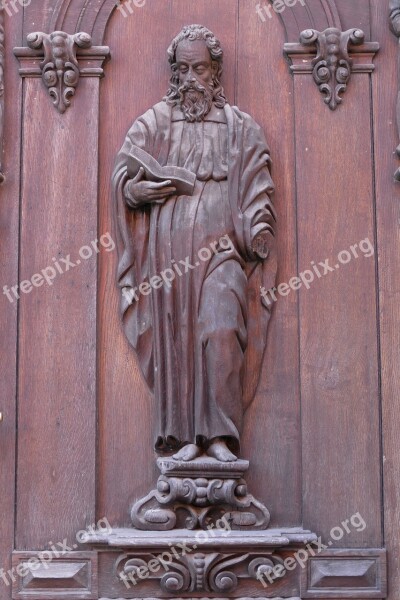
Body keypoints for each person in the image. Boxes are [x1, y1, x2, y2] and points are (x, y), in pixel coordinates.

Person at [112, 24, 277, 462]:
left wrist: (258, 230)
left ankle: (221, 436)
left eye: (199, 69)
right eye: (182, 69)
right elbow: (124, 174)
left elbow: (259, 186)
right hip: (170, 259)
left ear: (214, 72)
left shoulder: (239, 127)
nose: (190, 78)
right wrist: (135, 193)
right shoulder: (156, 123)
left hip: (223, 254)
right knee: (179, 342)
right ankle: (185, 438)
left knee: (221, 327)